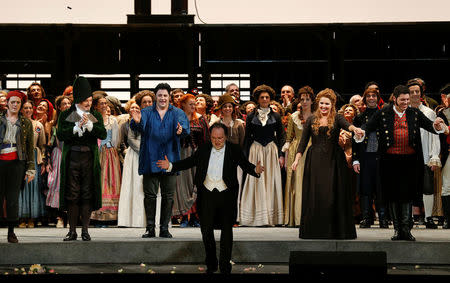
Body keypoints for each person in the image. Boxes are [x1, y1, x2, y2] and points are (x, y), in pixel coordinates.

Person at [156, 123, 264, 274]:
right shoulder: (204, 148)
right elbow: (190, 162)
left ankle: (225, 265)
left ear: (226, 137)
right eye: (214, 138)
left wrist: (255, 170)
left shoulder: (234, 149)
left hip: (227, 194)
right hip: (206, 194)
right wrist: (171, 166)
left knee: (227, 231)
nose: (217, 141)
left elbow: (245, 165)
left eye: (220, 138)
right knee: (206, 231)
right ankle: (211, 264)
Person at [357, 85, 445, 241]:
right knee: (393, 195)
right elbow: (368, 127)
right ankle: (398, 230)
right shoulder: (384, 113)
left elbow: (429, 126)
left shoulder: (414, 113)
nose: (406, 102)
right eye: (403, 100)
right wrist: (359, 132)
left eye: (407, 99)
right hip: (389, 161)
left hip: (409, 161)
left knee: (407, 195)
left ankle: (406, 229)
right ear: (395, 98)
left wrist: (437, 126)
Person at [292, 88, 364, 239]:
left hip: (334, 160)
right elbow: (303, 142)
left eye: (327, 104)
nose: (324, 106)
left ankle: (334, 230)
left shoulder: (337, 117)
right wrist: (297, 159)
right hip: (315, 161)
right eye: (322, 103)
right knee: (316, 193)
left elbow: (348, 126)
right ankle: (315, 230)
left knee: (332, 194)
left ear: (332, 104)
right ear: (318, 104)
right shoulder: (311, 119)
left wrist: (356, 129)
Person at [130, 83, 190, 238]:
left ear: (169, 97)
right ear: (155, 96)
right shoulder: (146, 112)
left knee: (168, 195)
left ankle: (164, 228)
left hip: (169, 158)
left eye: (165, 95)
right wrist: (136, 121)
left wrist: (181, 130)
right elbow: (137, 128)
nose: (162, 98)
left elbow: (186, 129)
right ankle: (150, 228)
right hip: (150, 157)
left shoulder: (177, 112)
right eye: (160, 95)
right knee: (150, 195)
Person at [57, 76, 107, 241]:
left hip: (89, 159)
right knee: (72, 194)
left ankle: (85, 230)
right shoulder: (66, 114)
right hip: (72, 157)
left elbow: (102, 133)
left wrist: (91, 126)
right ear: (78, 99)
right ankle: (72, 231)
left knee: (87, 193)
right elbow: (61, 134)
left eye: (90, 100)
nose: (88, 103)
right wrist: (75, 128)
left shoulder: (95, 115)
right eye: (85, 100)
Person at [240, 84, 285, 226]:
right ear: (258, 99)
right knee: (256, 181)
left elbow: (282, 136)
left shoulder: (276, 115)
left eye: (267, 97)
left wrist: (281, 154)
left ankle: (272, 218)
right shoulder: (251, 115)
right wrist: (245, 158)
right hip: (256, 150)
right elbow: (247, 137)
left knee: (271, 180)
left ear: (270, 99)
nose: (265, 99)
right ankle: (257, 217)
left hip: (271, 150)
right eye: (262, 97)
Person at [0, 90, 35, 243]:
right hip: (1, 161)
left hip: (17, 162)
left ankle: (11, 232)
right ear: (7, 103)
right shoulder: (0, 119)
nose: (15, 104)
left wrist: (31, 168)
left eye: (18, 102)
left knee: (13, 198)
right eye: (12, 102)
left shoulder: (26, 122)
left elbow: (29, 147)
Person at [352, 88, 389, 229]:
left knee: (381, 189)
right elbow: (354, 140)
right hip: (365, 157)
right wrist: (355, 159)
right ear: (365, 98)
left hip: (381, 157)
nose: (371, 98)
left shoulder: (385, 115)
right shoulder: (359, 117)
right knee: (365, 188)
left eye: (374, 96)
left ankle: (383, 218)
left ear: (378, 98)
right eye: (369, 96)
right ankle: (366, 218)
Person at [408, 79, 441, 229]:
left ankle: (428, 217)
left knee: (427, 188)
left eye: (417, 91)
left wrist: (434, 156)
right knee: (407, 188)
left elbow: (435, 136)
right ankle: (407, 218)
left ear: (421, 94)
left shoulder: (429, 112)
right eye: (412, 91)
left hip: (425, 156)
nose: (415, 94)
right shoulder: (403, 112)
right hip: (407, 156)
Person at [175, 93, 210, 227]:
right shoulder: (177, 119)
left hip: (197, 154)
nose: (193, 106)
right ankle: (184, 216)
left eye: (194, 103)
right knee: (183, 186)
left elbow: (206, 139)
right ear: (183, 105)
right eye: (191, 104)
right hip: (182, 154)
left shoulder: (200, 119)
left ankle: (196, 216)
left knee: (197, 184)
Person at [282, 86, 314, 227]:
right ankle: (295, 217)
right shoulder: (293, 116)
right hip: (296, 151)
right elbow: (289, 137)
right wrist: (286, 150)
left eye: (307, 99)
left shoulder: (317, 116)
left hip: (313, 149)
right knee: (295, 183)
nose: (305, 102)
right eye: (302, 99)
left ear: (312, 101)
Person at [90, 93, 122, 225]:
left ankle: (110, 215)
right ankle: (97, 215)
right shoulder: (92, 119)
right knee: (99, 182)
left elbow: (116, 139)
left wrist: (112, 149)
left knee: (110, 181)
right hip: (97, 153)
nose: (104, 106)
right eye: (101, 104)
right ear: (96, 106)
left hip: (109, 153)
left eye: (105, 103)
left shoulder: (112, 120)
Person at [117, 99, 146, 227]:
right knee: (132, 184)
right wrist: (143, 150)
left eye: (137, 108)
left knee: (144, 186)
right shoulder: (127, 124)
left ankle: (144, 219)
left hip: (147, 154)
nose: (135, 110)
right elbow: (128, 139)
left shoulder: (147, 119)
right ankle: (130, 219)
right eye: (132, 108)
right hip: (134, 154)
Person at [18, 100, 46, 229]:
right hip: (20, 157)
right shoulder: (17, 124)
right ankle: (22, 217)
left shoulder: (38, 125)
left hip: (34, 157)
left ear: (33, 110)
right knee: (21, 187)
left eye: (30, 108)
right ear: (21, 110)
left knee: (33, 187)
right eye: (25, 108)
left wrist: (44, 161)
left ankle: (32, 218)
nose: (28, 110)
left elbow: (42, 145)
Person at [46, 95, 72, 228]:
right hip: (58, 155)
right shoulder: (53, 124)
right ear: (59, 107)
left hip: (72, 154)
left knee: (70, 185)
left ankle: (71, 217)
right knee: (57, 184)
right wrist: (48, 160)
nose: (67, 106)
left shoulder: (76, 119)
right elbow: (49, 144)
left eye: (69, 103)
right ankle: (60, 217)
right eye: (64, 104)